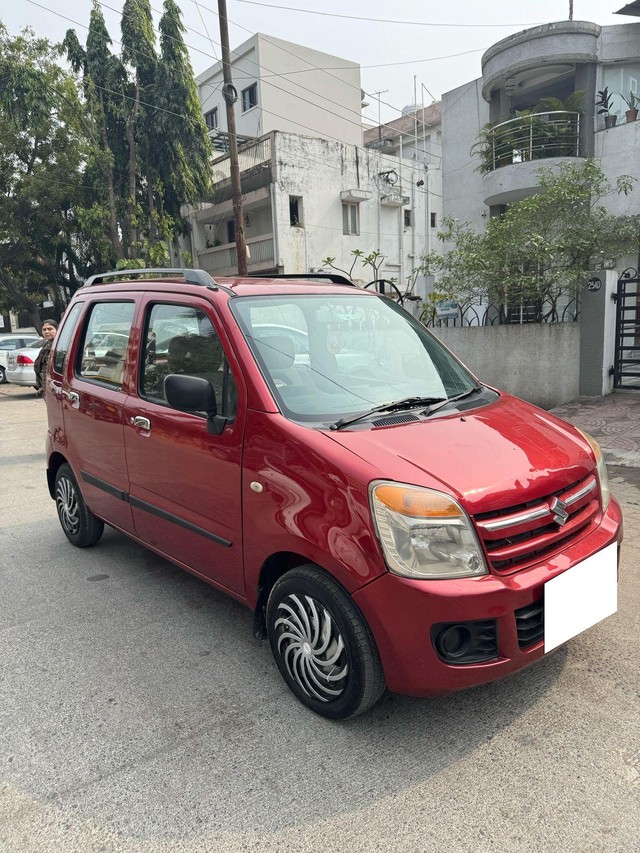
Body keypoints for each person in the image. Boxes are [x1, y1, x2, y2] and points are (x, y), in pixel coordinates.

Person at [34, 319, 58, 397]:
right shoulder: (46, 345)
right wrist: (41, 386)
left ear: (57, 330)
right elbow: (39, 367)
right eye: (44, 330)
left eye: (50, 329)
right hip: (46, 389)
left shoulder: (61, 346)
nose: (47, 332)